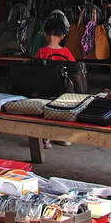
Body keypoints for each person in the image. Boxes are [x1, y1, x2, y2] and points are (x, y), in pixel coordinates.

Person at [35, 13, 73, 147]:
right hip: (63, 91)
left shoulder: (41, 52)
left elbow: (35, 70)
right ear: (63, 36)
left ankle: (46, 139)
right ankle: (61, 137)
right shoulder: (67, 52)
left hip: (44, 90)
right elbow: (73, 70)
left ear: (44, 34)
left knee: (45, 113)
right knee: (62, 114)